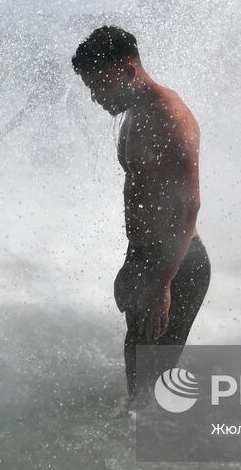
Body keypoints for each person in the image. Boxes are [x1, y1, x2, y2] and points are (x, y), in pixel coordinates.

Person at [72, 26, 211, 401]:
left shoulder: (168, 114)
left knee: (150, 390)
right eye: (90, 88)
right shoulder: (136, 111)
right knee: (138, 382)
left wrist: (162, 284)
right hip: (149, 258)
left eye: (100, 85)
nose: (96, 97)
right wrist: (131, 264)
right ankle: (130, 452)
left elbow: (187, 204)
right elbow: (143, 196)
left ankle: (161, 451)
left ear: (130, 71)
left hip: (177, 264)